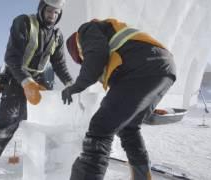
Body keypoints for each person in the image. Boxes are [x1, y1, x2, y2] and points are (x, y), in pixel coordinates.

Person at [62, 18, 177, 180]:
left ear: (78, 48)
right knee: (128, 127)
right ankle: (142, 177)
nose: (84, 62)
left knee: (100, 127)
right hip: (163, 67)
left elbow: (95, 56)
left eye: (82, 59)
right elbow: (126, 98)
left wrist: (76, 86)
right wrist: (144, 108)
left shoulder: (86, 31)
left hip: (144, 66)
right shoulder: (117, 49)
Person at [0, 0, 73, 179]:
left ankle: (48, 160)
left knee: (47, 122)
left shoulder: (57, 35)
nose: (53, 15)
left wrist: (69, 83)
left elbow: (59, 64)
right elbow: (11, 58)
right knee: (9, 121)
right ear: (42, 8)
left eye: (57, 13)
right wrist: (26, 82)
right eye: (50, 11)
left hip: (40, 79)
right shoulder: (24, 23)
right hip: (17, 75)